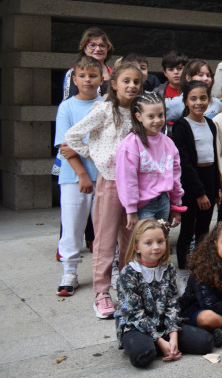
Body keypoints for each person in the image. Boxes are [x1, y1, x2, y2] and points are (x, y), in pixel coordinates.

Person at [64, 63, 144, 318]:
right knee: (105, 238)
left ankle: (127, 286)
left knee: (130, 238)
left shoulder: (140, 112)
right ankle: (102, 291)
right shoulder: (104, 109)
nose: (132, 86)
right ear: (114, 84)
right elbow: (73, 136)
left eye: (137, 82)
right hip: (109, 181)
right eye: (127, 81)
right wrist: (97, 155)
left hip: (135, 185)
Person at [116, 219, 213, 367]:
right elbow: (133, 313)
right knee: (142, 356)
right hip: (137, 326)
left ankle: (167, 346)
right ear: (137, 247)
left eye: (160, 241)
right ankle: (152, 345)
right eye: (148, 243)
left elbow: (172, 304)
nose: (156, 247)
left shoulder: (168, 269)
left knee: (205, 342)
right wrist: (160, 341)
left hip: (164, 324)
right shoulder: (128, 273)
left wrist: (173, 337)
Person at [54, 57, 103, 296]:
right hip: (74, 177)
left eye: (93, 75)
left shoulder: (105, 106)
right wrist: (82, 174)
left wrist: (82, 146)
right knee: (73, 224)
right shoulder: (67, 107)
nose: (87, 80)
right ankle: (69, 272)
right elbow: (65, 148)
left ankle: (108, 270)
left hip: (104, 176)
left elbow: (108, 146)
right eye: (82, 76)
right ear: (74, 80)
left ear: (102, 79)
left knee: (103, 226)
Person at [115, 90, 183, 236]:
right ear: (138, 116)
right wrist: (131, 209)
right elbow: (127, 179)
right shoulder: (131, 143)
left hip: (164, 201)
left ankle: (161, 261)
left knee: (160, 239)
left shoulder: (168, 142)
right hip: (143, 205)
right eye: (151, 116)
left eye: (161, 115)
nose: (157, 120)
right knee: (146, 242)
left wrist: (176, 204)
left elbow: (175, 174)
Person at [172, 81, 220, 275]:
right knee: (188, 228)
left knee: (204, 228)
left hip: (209, 178)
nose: (198, 102)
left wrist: (215, 189)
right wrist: (199, 192)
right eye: (193, 98)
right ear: (185, 101)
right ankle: (183, 270)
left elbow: (214, 156)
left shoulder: (210, 123)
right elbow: (184, 162)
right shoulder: (181, 126)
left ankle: (201, 267)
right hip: (191, 182)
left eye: (203, 98)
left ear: (209, 100)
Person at [61, 27, 113, 100]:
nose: (98, 49)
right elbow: (69, 102)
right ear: (84, 48)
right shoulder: (74, 72)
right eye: (92, 45)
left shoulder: (115, 72)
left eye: (102, 45)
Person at [154, 50, 189, 132]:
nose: (176, 72)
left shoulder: (192, 92)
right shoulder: (156, 93)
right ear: (165, 73)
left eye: (179, 69)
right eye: (171, 69)